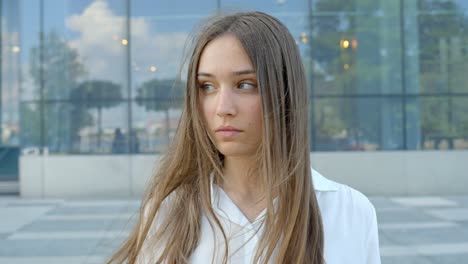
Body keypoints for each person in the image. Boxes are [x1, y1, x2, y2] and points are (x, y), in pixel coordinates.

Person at [107, 11, 380, 264]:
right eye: (207, 87)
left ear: (284, 91)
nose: (223, 107)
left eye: (245, 85)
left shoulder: (350, 212)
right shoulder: (168, 213)